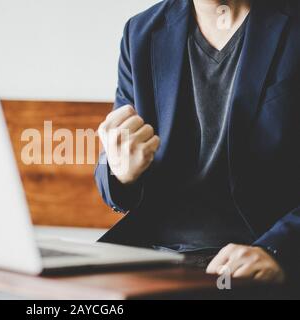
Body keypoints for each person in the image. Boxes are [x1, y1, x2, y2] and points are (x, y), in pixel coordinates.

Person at [95, 0, 299, 284]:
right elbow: (111, 163)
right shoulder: (140, 32)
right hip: (153, 258)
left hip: (253, 259)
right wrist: (120, 171)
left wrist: (278, 250)